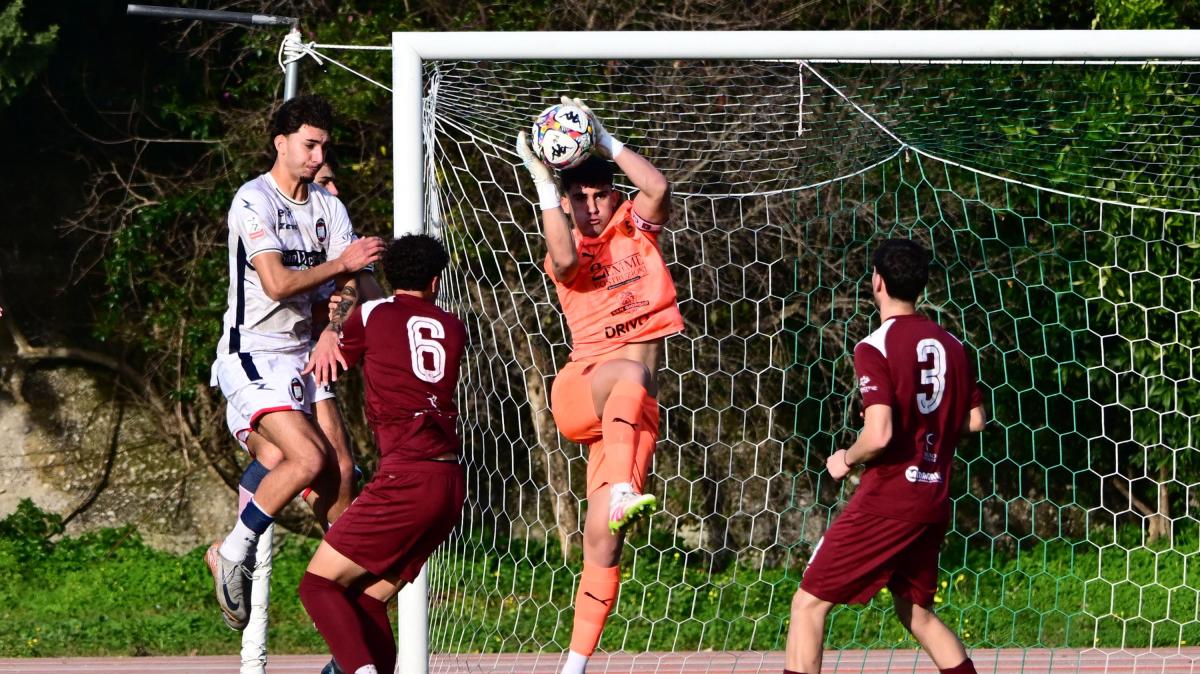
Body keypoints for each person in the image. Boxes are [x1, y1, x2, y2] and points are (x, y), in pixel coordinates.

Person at [516, 96, 683, 674]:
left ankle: (575, 664)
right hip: (582, 388)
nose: (590, 206)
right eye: (578, 198)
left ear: (614, 196)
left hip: (631, 414)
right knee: (630, 372)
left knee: (603, 541)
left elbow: (657, 188)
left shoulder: (637, 229)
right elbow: (561, 253)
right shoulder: (568, 249)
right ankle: (620, 491)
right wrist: (544, 181)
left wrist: (605, 139)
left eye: (599, 194)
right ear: (564, 203)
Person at [207, 93, 385, 632]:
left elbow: (359, 285)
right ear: (281, 143)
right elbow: (278, 283)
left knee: (343, 475)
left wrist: (335, 323)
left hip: (307, 357)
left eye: (323, 147)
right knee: (307, 459)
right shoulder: (252, 200)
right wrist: (342, 264)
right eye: (308, 145)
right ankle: (231, 551)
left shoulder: (329, 207)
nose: (316, 156)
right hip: (254, 353)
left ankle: (346, 607)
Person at [784, 238, 987, 674]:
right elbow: (974, 421)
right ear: (921, 285)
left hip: (889, 499)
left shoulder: (874, 346)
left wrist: (845, 458)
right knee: (915, 611)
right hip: (932, 497)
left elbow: (878, 434)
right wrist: (930, 428)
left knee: (807, 605)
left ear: (876, 280)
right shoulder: (952, 344)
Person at [297, 233, 468, 674]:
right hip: (448, 485)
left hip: (405, 479)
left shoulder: (371, 316)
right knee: (367, 601)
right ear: (435, 281)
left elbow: (331, 361)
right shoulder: (453, 327)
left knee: (317, 586)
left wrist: (330, 329)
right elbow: (394, 316)